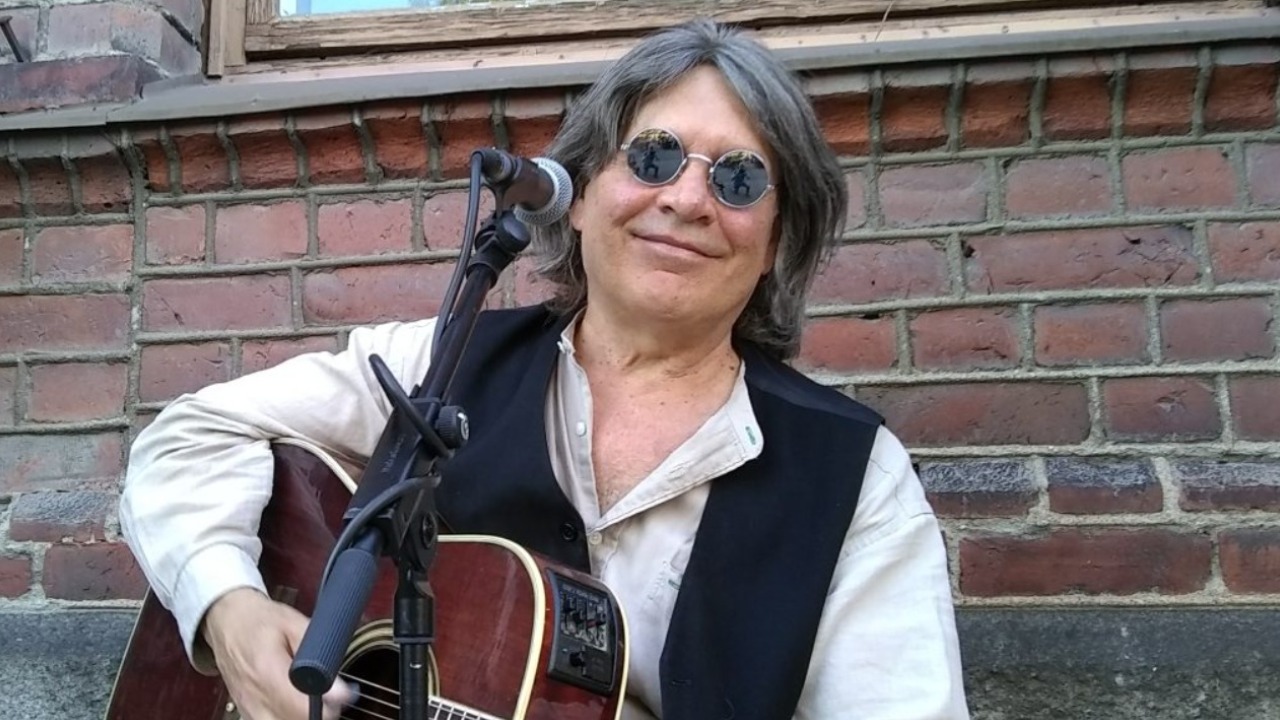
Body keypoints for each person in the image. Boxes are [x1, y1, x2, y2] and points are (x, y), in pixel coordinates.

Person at [120, 18, 969, 720]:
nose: (686, 199)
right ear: (581, 190)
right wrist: (228, 611)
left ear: (779, 238)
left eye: (739, 179)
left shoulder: (852, 478)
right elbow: (191, 433)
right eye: (654, 156)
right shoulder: (440, 363)